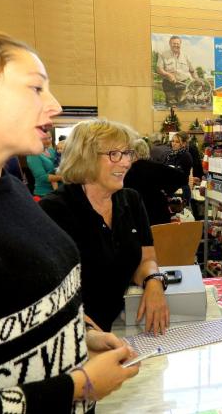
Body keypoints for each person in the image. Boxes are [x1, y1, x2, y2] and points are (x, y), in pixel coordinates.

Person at [0, 26, 137, 413]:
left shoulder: (8, 188)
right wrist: (79, 387)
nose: (54, 104)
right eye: (36, 88)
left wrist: (77, 335)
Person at [40, 119, 170, 334]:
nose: (126, 162)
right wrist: (89, 334)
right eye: (114, 154)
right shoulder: (54, 210)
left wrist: (154, 281)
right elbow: (47, 294)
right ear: (85, 158)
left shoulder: (131, 200)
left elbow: (146, 258)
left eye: (127, 153)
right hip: (72, 334)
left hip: (116, 325)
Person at [124, 139, 189, 226]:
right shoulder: (157, 167)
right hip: (158, 213)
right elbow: (182, 178)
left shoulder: (127, 171)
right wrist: (167, 191)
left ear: (133, 153)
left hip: (135, 215)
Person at [156, 35, 198, 106]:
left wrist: (197, 80)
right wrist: (168, 75)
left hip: (182, 84)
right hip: (168, 84)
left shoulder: (186, 55)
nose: (176, 45)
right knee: (172, 106)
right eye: (174, 43)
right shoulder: (163, 54)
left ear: (180, 44)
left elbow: (192, 71)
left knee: (182, 105)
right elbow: (159, 69)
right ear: (170, 44)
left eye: (177, 44)